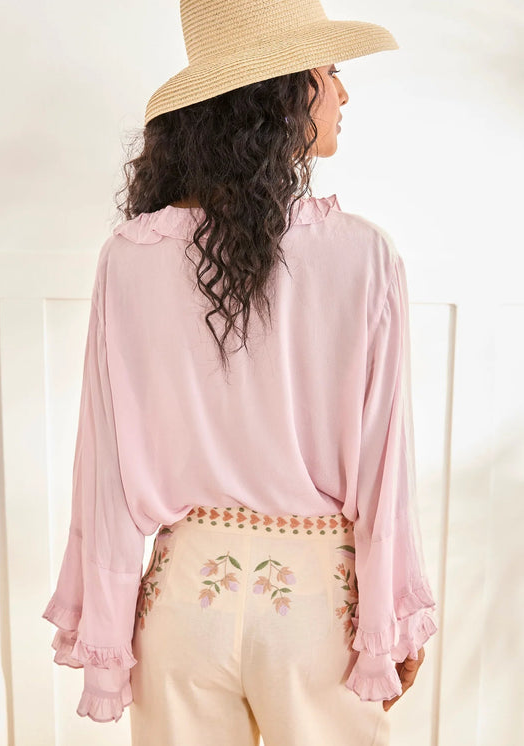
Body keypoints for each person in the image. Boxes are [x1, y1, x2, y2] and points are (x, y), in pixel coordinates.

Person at [41, 1, 438, 743]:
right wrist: (388, 620)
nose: (343, 93)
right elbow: (385, 463)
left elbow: (104, 471)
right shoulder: (362, 256)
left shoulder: (129, 257)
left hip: (180, 602)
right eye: (329, 72)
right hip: (317, 608)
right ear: (281, 94)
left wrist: (107, 634)